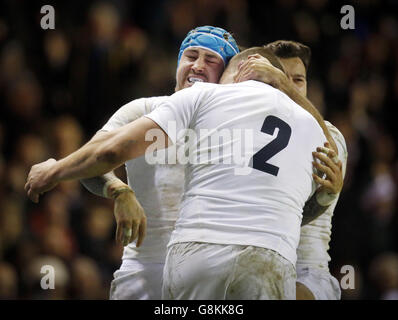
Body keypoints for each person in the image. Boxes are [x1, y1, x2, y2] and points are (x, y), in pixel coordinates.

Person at [25, 46, 330, 299]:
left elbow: (107, 153)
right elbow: (314, 202)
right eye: (191, 55)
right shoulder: (315, 128)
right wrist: (120, 190)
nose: (199, 68)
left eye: (212, 62)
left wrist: (55, 169)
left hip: (196, 253)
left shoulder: (205, 98)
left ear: (234, 70)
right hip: (270, 260)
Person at [264, 40, 348, 300]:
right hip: (258, 260)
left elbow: (294, 212)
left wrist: (325, 197)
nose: (289, 88)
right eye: (280, 78)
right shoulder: (246, 133)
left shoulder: (327, 136)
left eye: (297, 80)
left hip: (306, 269)